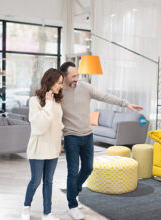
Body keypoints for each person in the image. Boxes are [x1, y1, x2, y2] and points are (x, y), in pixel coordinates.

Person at [59, 62, 143, 220]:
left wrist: (126, 103)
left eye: (78, 74)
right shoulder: (59, 94)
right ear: (64, 76)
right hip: (71, 137)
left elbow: (105, 96)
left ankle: (73, 192)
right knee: (72, 172)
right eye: (74, 76)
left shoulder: (84, 87)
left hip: (88, 135)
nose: (77, 78)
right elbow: (55, 117)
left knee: (88, 168)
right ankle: (72, 205)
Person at [22, 68, 64, 220]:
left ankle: (47, 213)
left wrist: (59, 143)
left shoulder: (57, 102)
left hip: (52, 147)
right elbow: (40, 127)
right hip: (38, 147)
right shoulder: (34, 101)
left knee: (49, 181)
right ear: (50, 82)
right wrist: (48, 105)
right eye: (59, 83)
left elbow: (58, 125)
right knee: (36, 181)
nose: (61, 86)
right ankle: (26, 207)